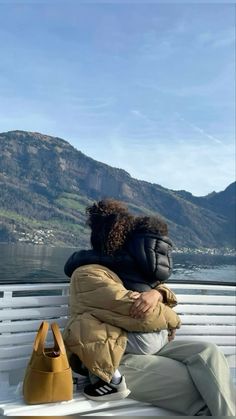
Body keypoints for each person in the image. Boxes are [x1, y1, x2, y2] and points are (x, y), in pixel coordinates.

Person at [63, 199, 235, 416]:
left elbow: (157, 290)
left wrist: (158, 293)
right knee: (204, 389)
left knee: (209, 352)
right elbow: (145, 315)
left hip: (150, 345)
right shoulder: (90, 274)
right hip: (114, 357)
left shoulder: (125, 272)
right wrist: (172, 315)